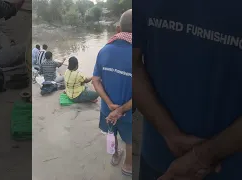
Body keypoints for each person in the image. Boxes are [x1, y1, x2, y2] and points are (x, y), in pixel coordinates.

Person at [134, 1, 242, 180]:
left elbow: (133, 65)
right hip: (223, 162)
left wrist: (174, 137)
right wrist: (202, 156)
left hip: (162, 156)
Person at [92, 9, 132, 176]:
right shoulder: (140, 55)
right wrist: (121, 110)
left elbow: (95, 80)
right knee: (131, 140)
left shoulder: (104, 50)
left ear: (117, 29)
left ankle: (115, 156)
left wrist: (109, 105)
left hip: (107, 109)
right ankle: (128, 166)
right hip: (129, 114)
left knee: (111, 132)